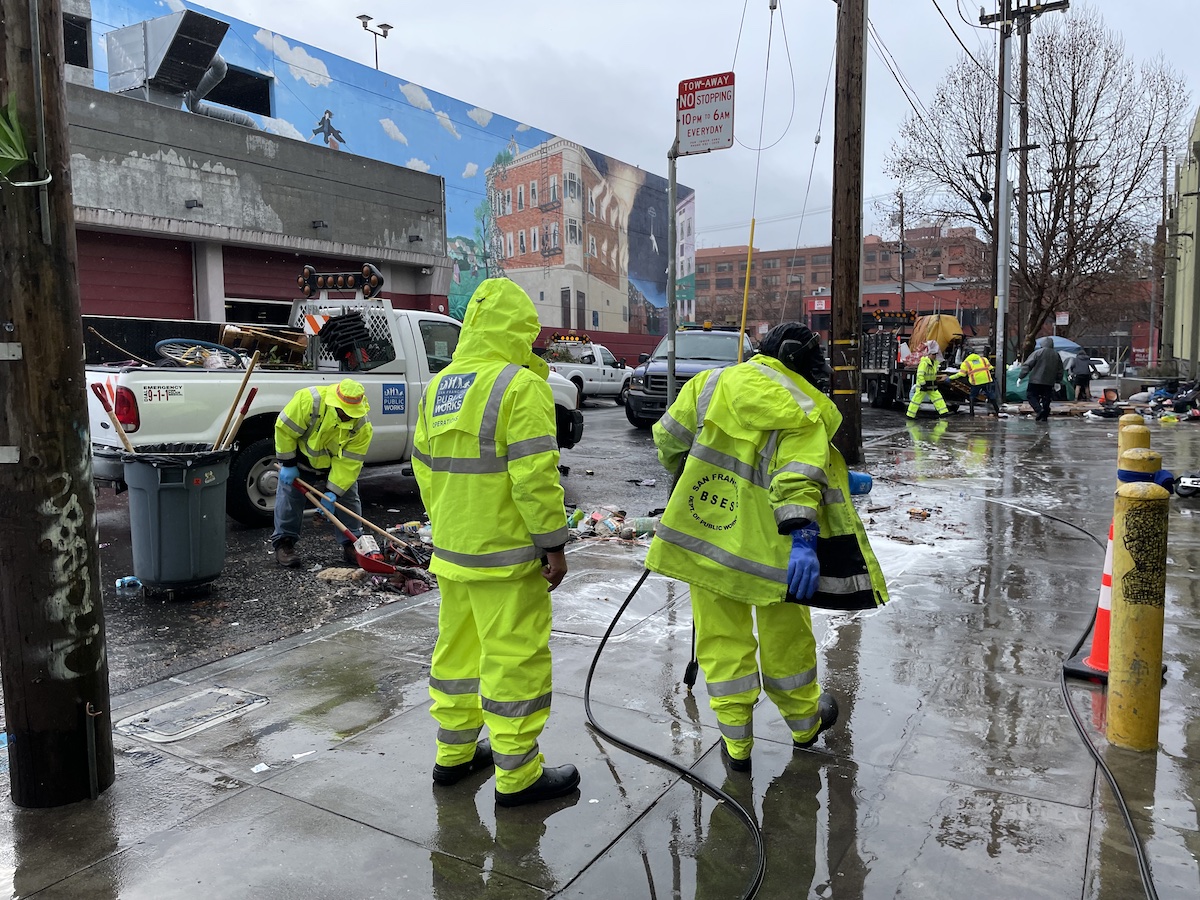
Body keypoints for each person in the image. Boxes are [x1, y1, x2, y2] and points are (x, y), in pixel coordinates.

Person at [645, 322, 889, 772]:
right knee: (787, 640)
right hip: (773, 558)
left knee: (721, 641)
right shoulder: (804, 410)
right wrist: (804, 542)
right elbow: (796, 482)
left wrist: (685, 469)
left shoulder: (710, 384)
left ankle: (736, 745)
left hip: (708, 544)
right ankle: (804, 724)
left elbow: (666, 440)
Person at [413, 277, 579, 808]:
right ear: (518, 329)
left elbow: (423, 466)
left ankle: (454, 755)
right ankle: (518, 775)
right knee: (513, 659)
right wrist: (553, 543)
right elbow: (535, 477)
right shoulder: (519, 387)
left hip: (454, 551)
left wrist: (449, 521)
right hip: (506, 556)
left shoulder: (441, 386)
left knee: (456, 655)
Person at [273, 378, 372, 568]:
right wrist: (287, 463)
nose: (347, 416)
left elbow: (349, 463)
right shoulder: (308, 400)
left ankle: (352, 543)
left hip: (333, 466)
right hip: (300, 459)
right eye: (344, 412)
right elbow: (284, 430)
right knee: (289, 498)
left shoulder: (362, 426)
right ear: (336, 404)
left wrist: (333, 492)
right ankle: (284, 543)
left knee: (348, 499)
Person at [1018, 336, 1064, 422]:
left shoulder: (1037, 353)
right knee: (1046, 398)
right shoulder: (1056, 354)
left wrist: (1021, 376)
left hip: (1035, 380)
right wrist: (1058, 381)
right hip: (1049, 381)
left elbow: (1028, 365)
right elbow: (1060, 369)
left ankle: (1039, 410)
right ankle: (1044, 415)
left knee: (1031, 395)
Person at [905, 340, 950, 419]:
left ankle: (943, 412)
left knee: (938, 398)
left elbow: (933, 374)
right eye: (933, 354)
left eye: (935, 354)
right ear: (929, 354)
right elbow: (920, 374)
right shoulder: (924, 363)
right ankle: (910, 415)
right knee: (916, 401)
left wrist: (935, 381)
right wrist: (923, 384)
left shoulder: (934, 363)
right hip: (923, 386)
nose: (934, 356)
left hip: (931, 385)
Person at [949, 350, 1001, 416]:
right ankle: (997, 410)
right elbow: (990, 368)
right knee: (991, 396)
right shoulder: (984, 359)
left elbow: (962, 374)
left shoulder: (966, 363)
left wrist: (950, 377)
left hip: (976, 382)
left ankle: (971, 413)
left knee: (972, 397)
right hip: (987, 380)